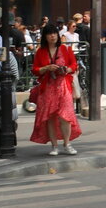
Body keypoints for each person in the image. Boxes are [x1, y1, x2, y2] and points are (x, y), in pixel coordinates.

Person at [30, 23, 82, 156]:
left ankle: (67, 143)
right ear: (45, 36)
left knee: (66, 116)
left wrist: (66, 69)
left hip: (63, 85)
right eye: (49, 33)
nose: (52, 36)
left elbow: (74, 64)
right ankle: (54, 146)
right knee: (50, 117)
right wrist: (46, 68)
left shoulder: (65, 49)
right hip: (47, 88)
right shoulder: (41, 51)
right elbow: (35, 70)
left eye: (54, 33)